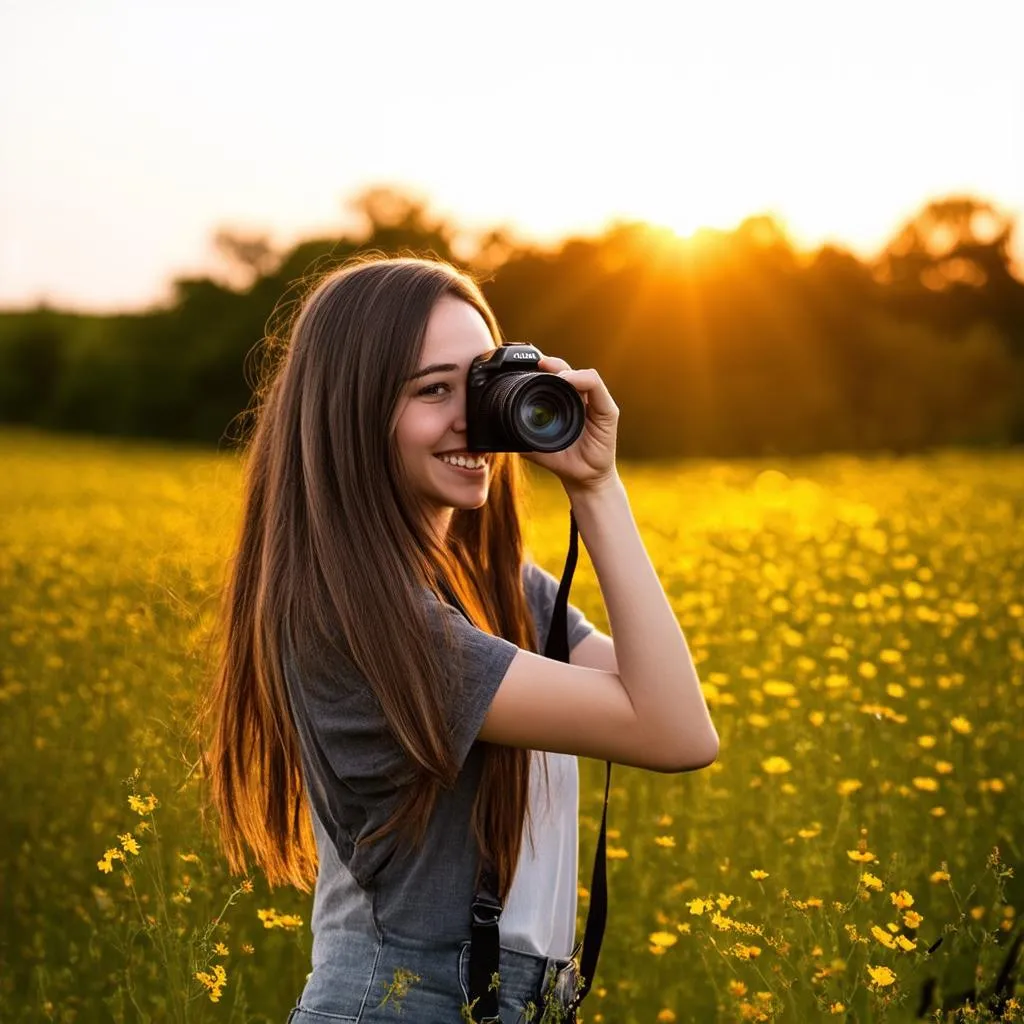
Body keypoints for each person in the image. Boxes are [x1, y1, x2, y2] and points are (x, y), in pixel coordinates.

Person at [198, 255, 719, 1023]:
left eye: (479, 384)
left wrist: (593, 476)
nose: (470, 419)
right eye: (431, 390)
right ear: (354, 411)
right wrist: (598, 492)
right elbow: (673, 733)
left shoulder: (493, 586)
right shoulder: (366, 622)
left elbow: (674, 704)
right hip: (402, 1003)